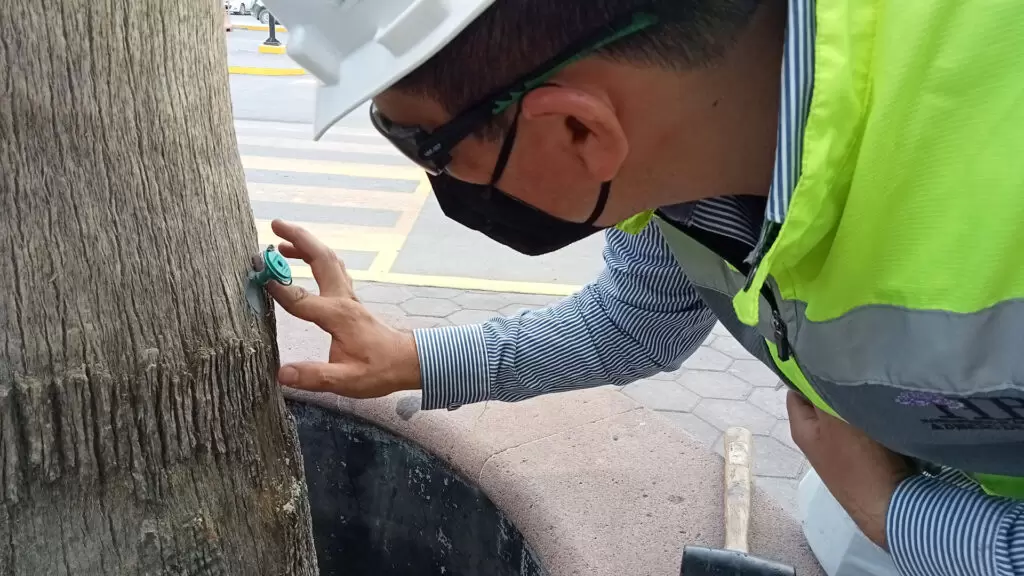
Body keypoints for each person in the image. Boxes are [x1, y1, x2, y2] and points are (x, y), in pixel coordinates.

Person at [260, 0, 1024, 574]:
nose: (432, 180)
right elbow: (634, 324)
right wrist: (411, 359)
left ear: (580, 130)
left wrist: (900, 512)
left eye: (426, 146)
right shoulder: (686, 143)